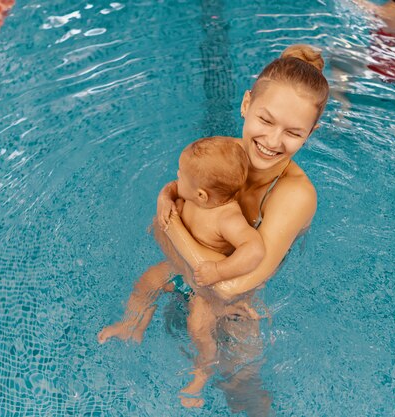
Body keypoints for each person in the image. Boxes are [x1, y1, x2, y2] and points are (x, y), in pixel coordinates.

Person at [101, 44, 329, 413]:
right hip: (195, 276)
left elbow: (228, 288)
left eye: (293, 133)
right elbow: (155, 227)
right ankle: (133, 325)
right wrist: (167, 201)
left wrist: (174, 229)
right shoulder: (220, 157)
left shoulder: (294, 195)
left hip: (238, 307)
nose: (272, 142)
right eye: (265, 120)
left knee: (241, 385)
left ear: (311, 132)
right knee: (157, 295)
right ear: (245, 105)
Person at [100, 136, 265, 407]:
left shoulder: (227, 217)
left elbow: (254, 250)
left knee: (198, 326)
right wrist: (166, 197)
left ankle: (202, 371)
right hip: (182, 270)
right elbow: (173, 187)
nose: (176, 177)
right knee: (147, 282)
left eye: (181, 174)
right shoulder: (196, 192)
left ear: (201, 195)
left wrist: (219, 270)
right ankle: (132, 325)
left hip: (205, 287)